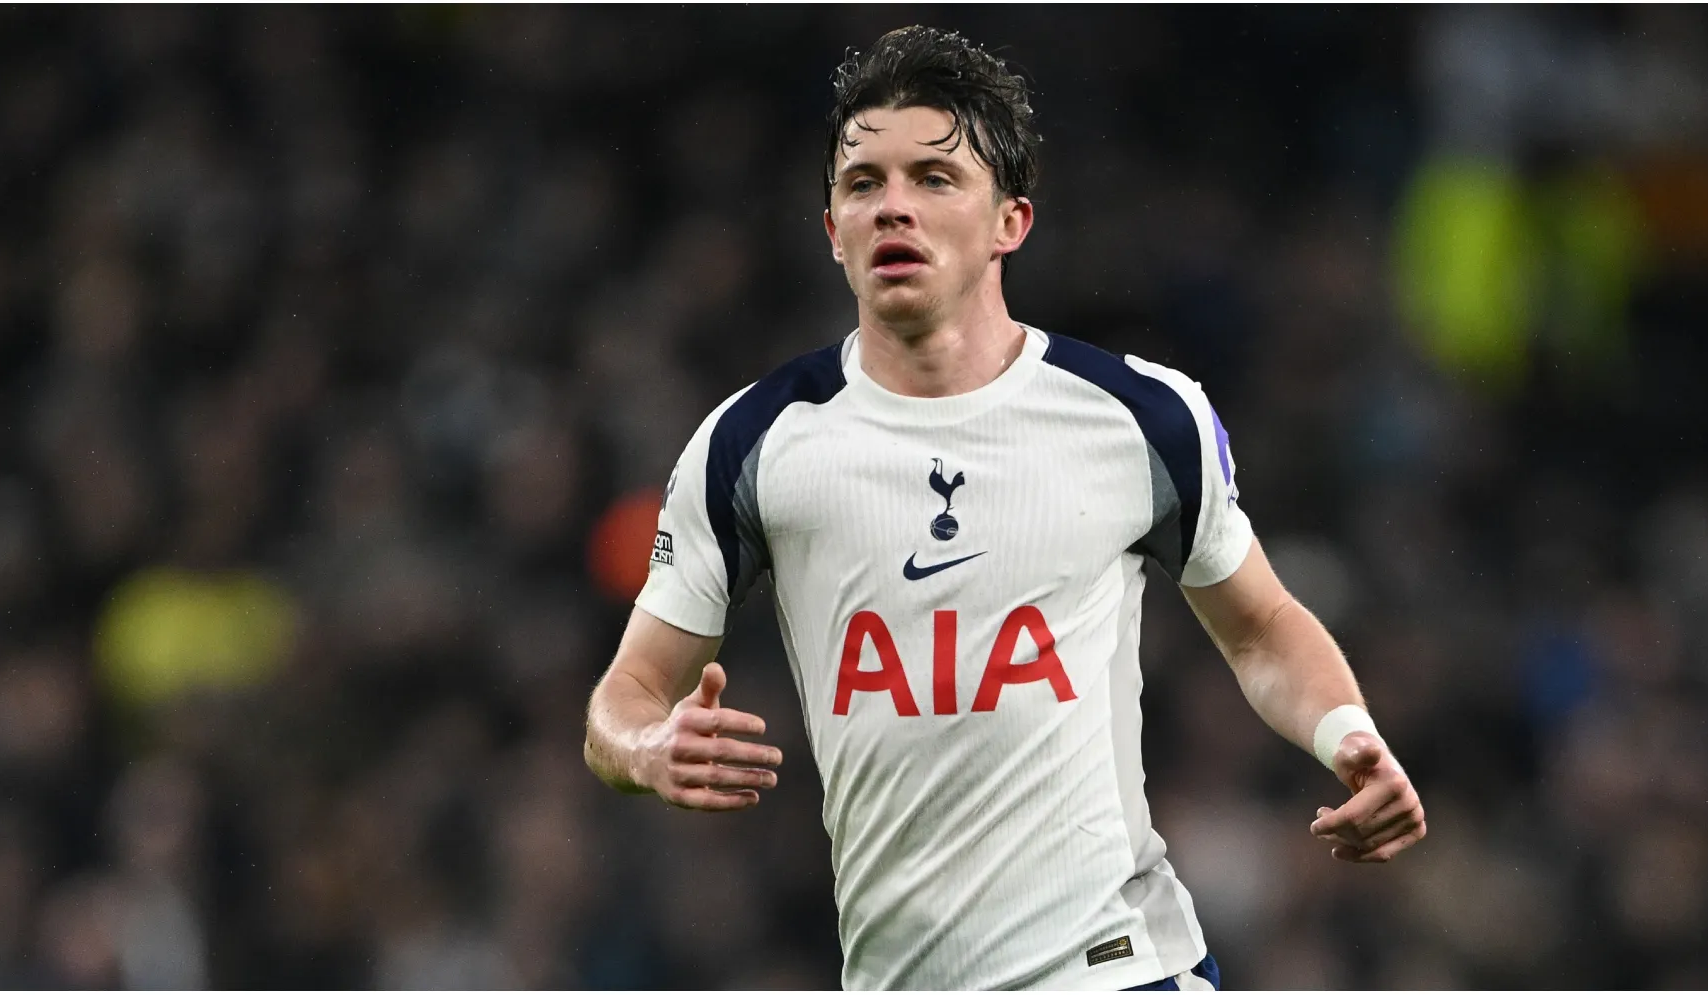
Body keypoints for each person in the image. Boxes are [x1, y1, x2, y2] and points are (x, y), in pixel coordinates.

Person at [583, 25, 1426, 991]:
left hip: (1118, 969)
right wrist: (647, 749)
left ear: (1009, 222)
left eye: (934, 179)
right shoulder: (756, 440)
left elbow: (1263, 626)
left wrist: (1348, 735)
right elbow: (627, 695)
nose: (893, 205)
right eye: (863, 183)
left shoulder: (1137, 415)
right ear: (831, 231)